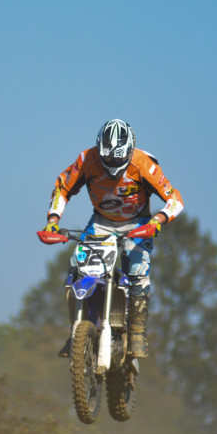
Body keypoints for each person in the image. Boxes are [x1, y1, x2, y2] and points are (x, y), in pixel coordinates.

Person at [38, 119, 184, 358]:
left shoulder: (142, 163)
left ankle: (137, 332)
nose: (113, 163)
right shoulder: (87, 159)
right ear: (100, 149)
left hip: (137, 223)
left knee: (138, 270)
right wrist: (53, 219)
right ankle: (76, 331)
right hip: (102, 222)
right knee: (78, 266)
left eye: (119, 159)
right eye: (109, 158)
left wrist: (158, 220)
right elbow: (62, 186)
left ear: (129, 151)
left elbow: (175, 198)